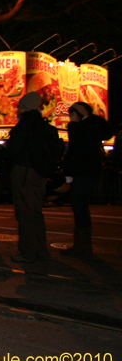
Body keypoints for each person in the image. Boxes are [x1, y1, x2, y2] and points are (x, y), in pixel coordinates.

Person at [2, 92, 62, 263]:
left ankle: (28, 252)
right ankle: (40, 250)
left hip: (24, 173)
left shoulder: (24, 126)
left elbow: (13, 150)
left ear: (25, 109)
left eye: (20, 107)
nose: (18, 110)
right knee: (36, 212)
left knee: (25, 214)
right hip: (40, 174)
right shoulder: (45, 127)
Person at [61, 102, 112, 257]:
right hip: (92, 172)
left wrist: (66, 172)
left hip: (80, 172)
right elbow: (107, 132)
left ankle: (81, 247)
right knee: (82, 206)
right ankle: (84, 246)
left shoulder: (77, 128)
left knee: (78, 206)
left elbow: (73, 151)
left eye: (71, 114)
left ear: (77, 114)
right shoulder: (95, 128)